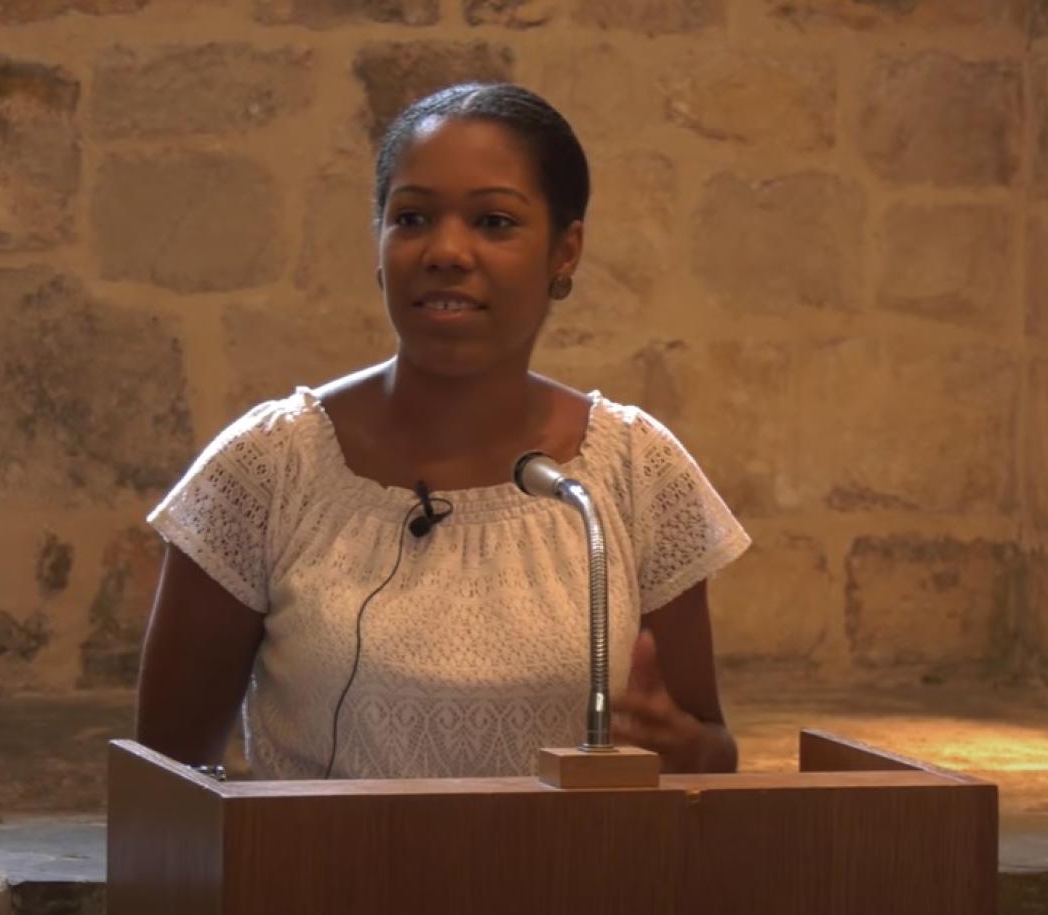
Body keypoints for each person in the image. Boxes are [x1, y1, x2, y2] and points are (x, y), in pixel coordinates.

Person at [135, 82, 750, 780]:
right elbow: (163, 782)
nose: (447, 251)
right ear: (379, 243)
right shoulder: (266, 468)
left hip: (576, 886)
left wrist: (686, 752)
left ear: (565, 251)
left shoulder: (636, 470)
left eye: (493, 222)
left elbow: (709, 758)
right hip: (324, 884)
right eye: (413, 218)